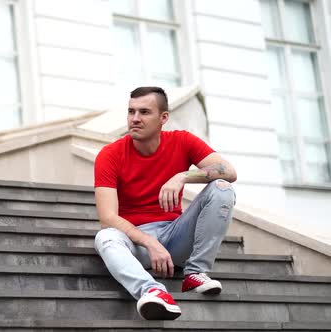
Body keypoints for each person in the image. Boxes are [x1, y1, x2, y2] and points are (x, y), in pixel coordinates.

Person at [93, 86, 237, 320]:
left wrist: (183, 176)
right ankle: (152, 291)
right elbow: (107, 217)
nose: (135, 119)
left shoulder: (182, 141)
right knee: (104, 237)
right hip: (135, 242)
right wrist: (150, 242)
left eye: (144, 112)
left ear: (163, 118)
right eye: (131, 112)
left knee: (222, 188)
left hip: (174, 235)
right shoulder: (110, 155)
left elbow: (228, 171)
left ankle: (196, 272)